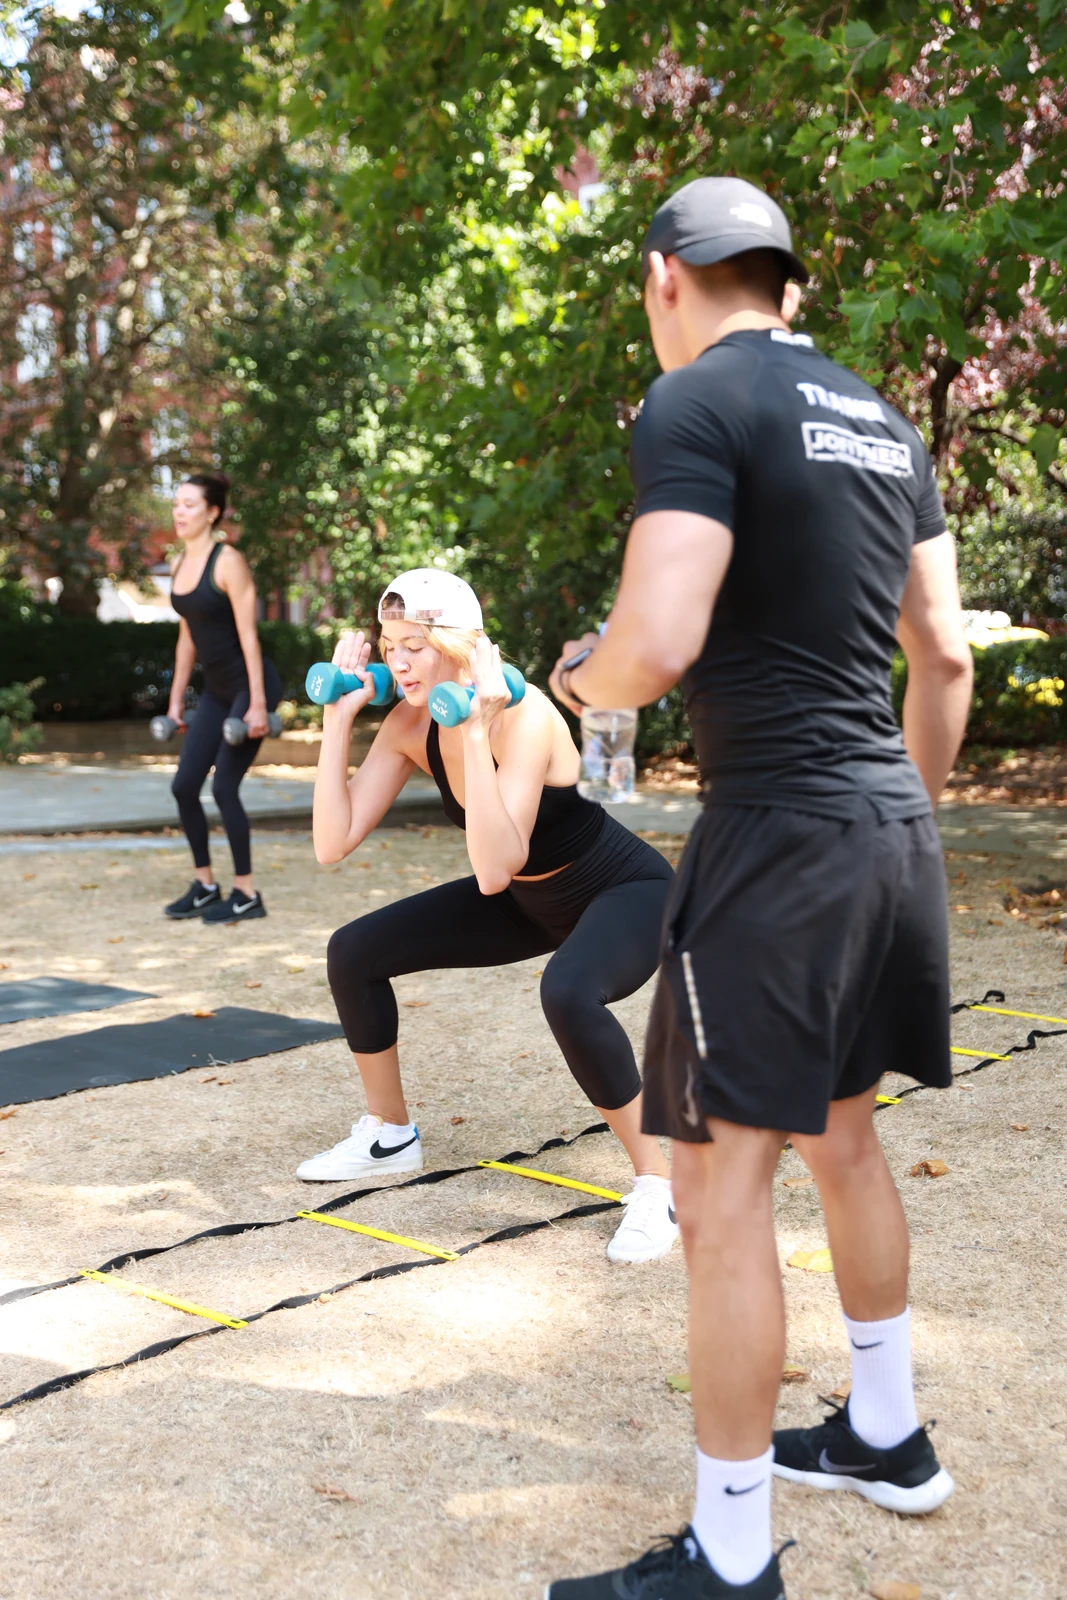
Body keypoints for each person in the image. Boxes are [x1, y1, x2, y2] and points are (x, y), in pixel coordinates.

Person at [545, 176, 973, 1597]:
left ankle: (728, 1557)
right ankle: (884, 1433)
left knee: (717, 1190)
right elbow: (943, 656)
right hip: (884, 827)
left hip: (778, 836)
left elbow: (657, 640)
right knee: (841, 1135)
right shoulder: (882, 419)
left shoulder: (692, 402)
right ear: (782, 280)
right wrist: (896, 816)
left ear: (665, 276)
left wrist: (580, 680)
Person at [300, 567, 679, 1264]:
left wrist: (475, 734)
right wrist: (336, 721)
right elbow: (331, 843)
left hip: (624, 891)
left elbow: (495, 866)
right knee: (353, 951)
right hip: (526, 901)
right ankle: (389, 1134)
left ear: (460, 648)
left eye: (415, 646)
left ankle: (658, 1183)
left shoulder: (527, 716)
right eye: (389, 647)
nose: (399, 663)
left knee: (568, 991)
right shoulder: (409, 724)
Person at [162, 472, 281, 925]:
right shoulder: (179, 563)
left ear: (212, 513)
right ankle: (205, 886)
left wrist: (257, 704)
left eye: (189, 504)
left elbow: (250, 637)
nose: (179, 511)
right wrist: (175, 703)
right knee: (183, 786)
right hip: (216, 693)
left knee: (224, 787)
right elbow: (186, 639)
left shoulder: (228, 561)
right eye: (177, 503)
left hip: (250, 688)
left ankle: (246, 893)